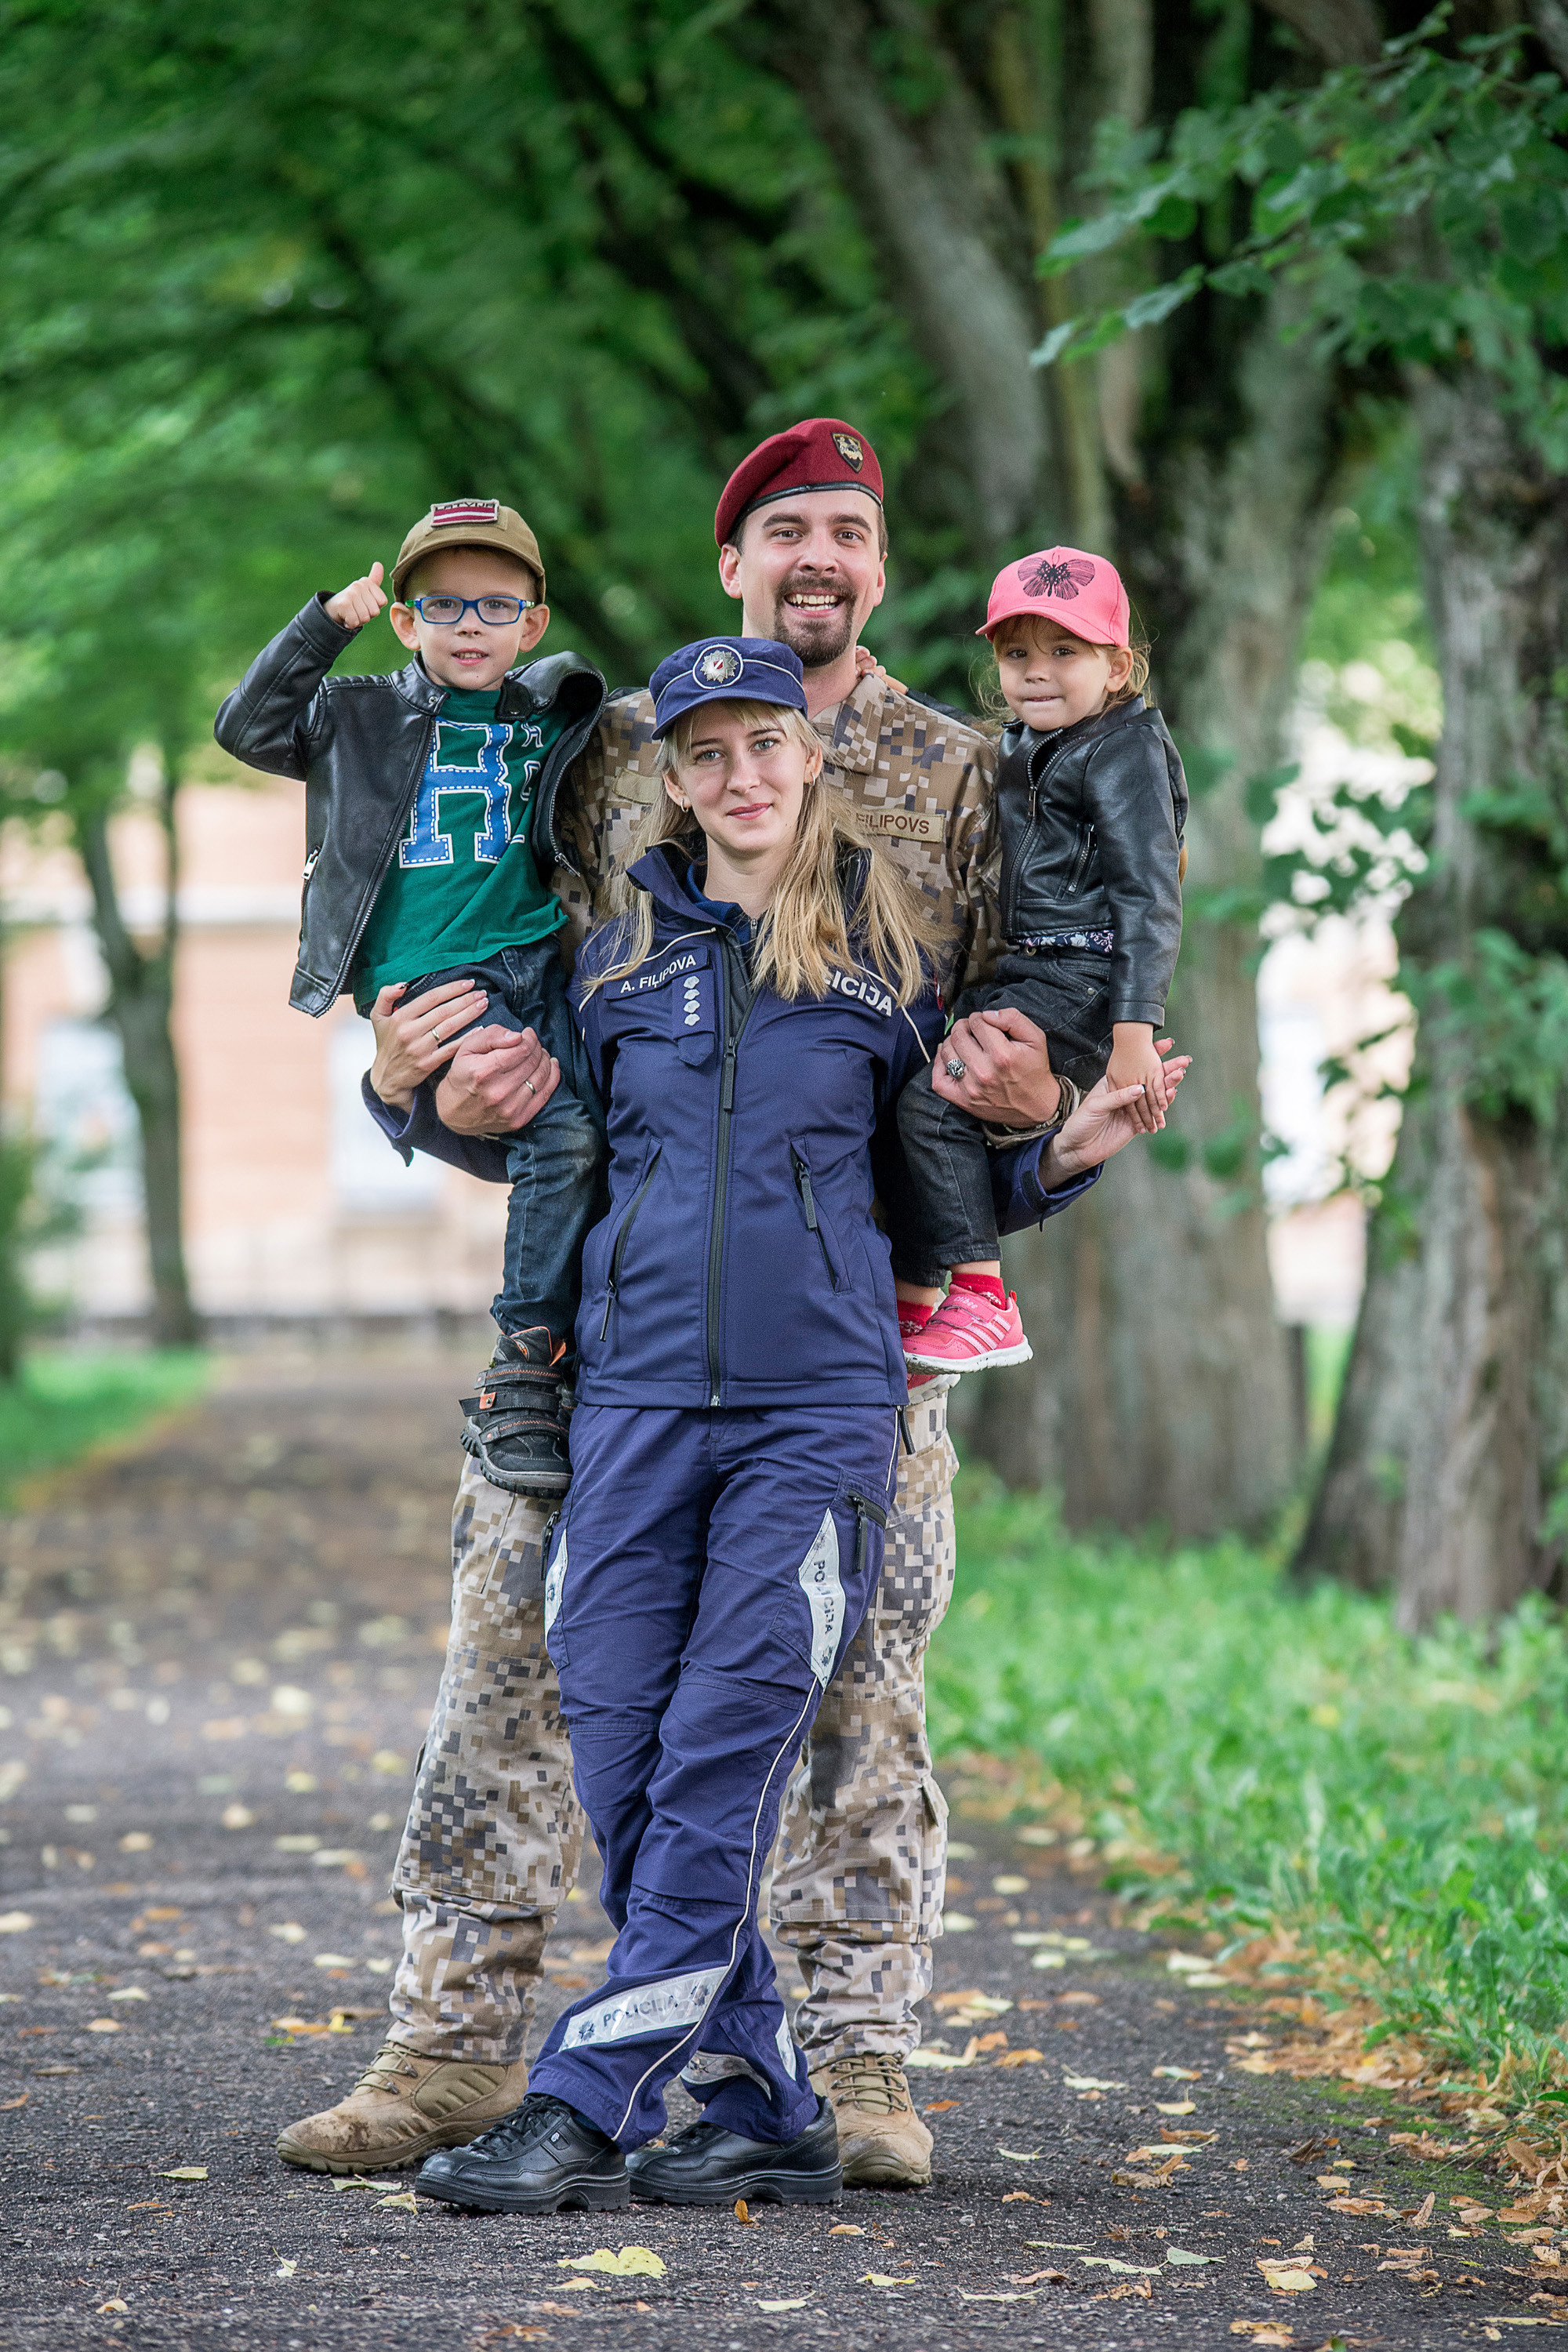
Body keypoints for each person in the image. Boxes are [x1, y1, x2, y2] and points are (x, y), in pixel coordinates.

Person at [275, 422, 1189, 2192]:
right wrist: (414, 1091)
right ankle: (458, 2041)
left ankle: (845, 2061)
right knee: (526, 1662)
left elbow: (1024, 1028)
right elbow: (512, 987)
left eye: (848, 527)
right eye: (783, 532)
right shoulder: (604, 755)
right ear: (732, 569)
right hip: (597, 1337)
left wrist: (1046, 1118)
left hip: (849, 1328)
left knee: (844, 1691)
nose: (818, 555)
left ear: (882, 561)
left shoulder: (971, 769)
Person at [416, 636, 949, 2213]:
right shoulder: (608, 964)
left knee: (719, 1757)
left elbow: (953, 1188)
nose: (738, 776)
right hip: (633, 1412)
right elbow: (536, 1148)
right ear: (677, 776)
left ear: (807, 756)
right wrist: (423, 1102)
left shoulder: (887, 958)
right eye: (705, 751)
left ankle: (582, 2097)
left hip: (810, 1417)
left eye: (762, 745)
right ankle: (760, 2088)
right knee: (621, 1751)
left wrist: (1070, 1147)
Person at [214, 499, 608, 1497]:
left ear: (532, 622)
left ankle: (595, 1345)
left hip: (539, 960)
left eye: (493, 606)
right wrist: (322, 625)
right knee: (555, 1140)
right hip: (436, 975)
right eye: (441, 606)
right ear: (403, 620)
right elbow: (246, 728)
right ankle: (520, 1373)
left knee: (603, 1123)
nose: (468, 626)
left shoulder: (554, 708)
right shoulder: (356, 712)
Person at [891, 547, 1189, 1378]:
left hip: (1084, 978)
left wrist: (1133, 1032)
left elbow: (1146, 895)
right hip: (1026, 970)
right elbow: (969, 756)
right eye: (1016, 653)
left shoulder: (1123, 750)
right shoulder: (1031, 741)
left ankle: (980, 1297)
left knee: (934, 1101)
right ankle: (916, 1307)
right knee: (913, 1113)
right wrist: (888, 698)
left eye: (1064, 652)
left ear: (1117, 665)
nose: (1036, 672)